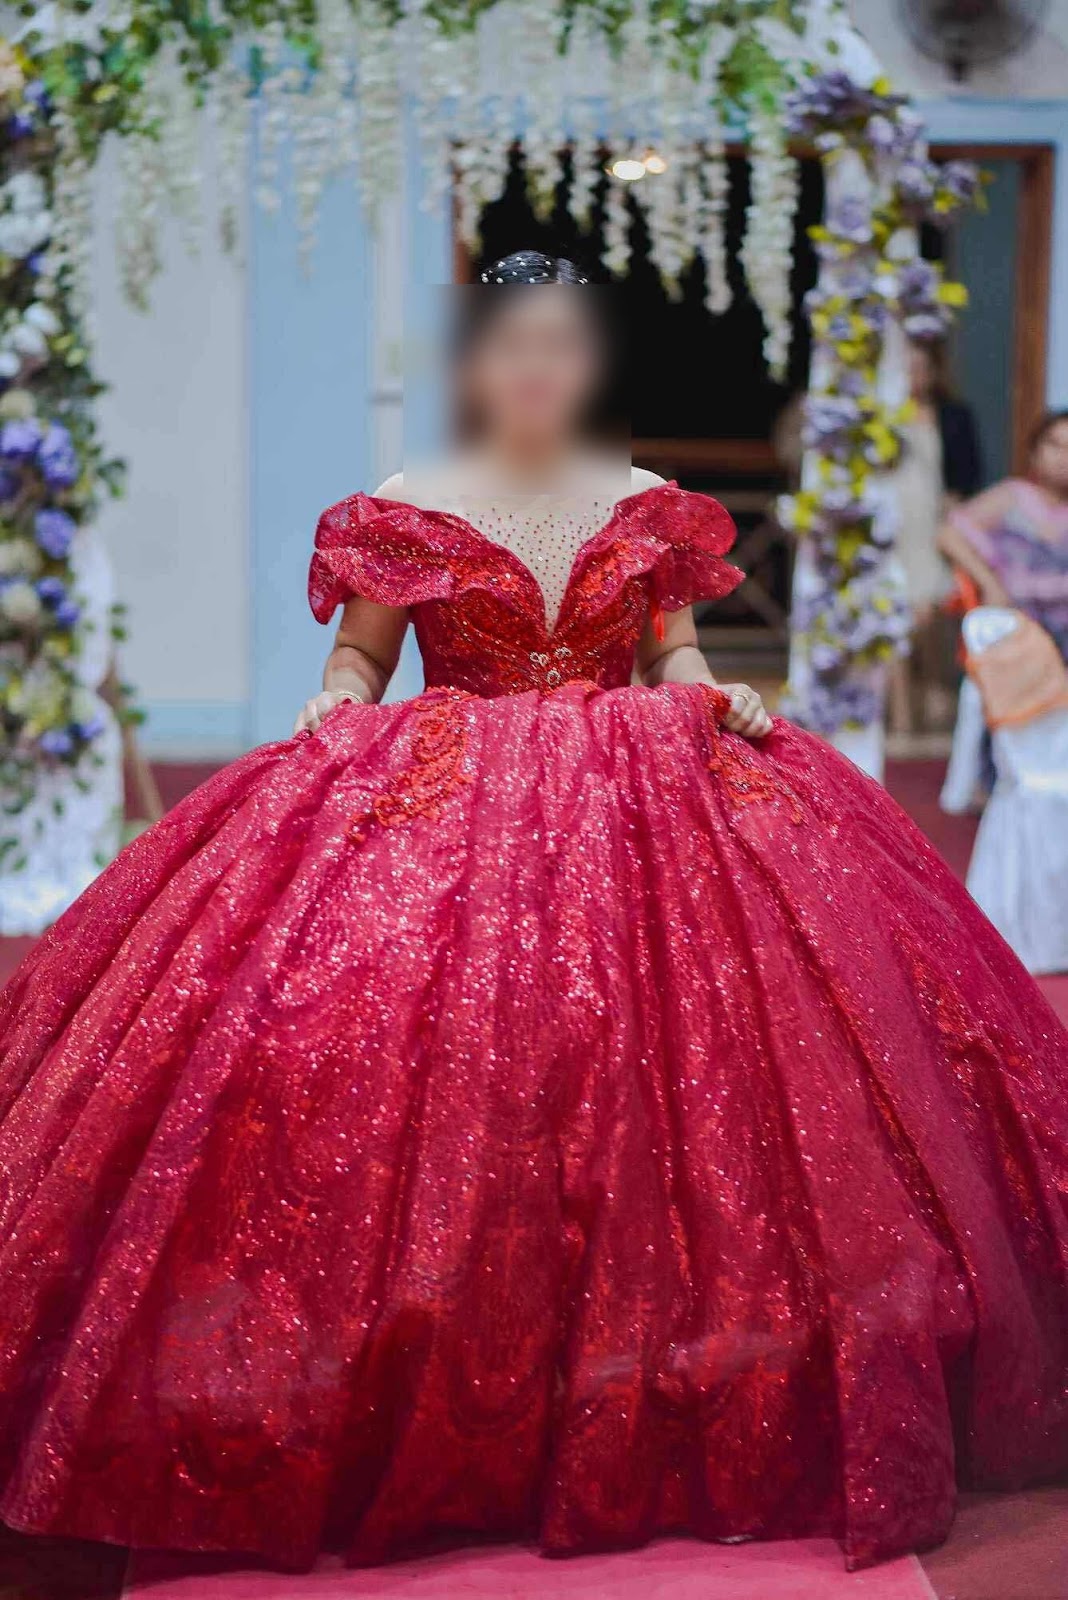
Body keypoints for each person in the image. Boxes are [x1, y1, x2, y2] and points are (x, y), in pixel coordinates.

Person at [1, 251, 1067, 1578]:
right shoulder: (406, 504)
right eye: (513, 345)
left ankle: (651, 1382)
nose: (537, 368)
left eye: (561, 345)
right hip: (459, 798)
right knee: (431, 1082)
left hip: (640, 809)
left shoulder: (653, 506)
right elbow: (361, 655)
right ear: (476, 362)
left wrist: (711, 692)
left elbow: (672, 651)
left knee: (677, 1085)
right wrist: (338, 699)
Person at [888, 338, 982, 735]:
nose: (916, 377)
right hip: (893, 524)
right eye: (908, 369)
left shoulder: (953, 414)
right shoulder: (883, 417)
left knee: (929, 612)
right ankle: (902, 716)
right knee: (895, 617)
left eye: (922, 368)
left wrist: (954, 502)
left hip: (931, 525)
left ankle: (932, 699)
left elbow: (968, 471)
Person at [939, 409, 1068, 659]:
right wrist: (989, 583)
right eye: (1055, 445)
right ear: (1034, 450)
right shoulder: (1013, 497)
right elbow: (948, 535)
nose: (1063, 456)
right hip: (1014, 628)